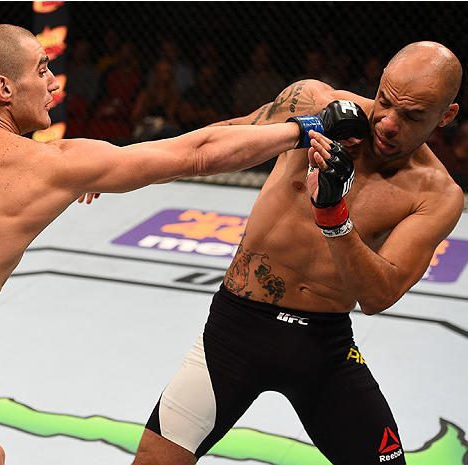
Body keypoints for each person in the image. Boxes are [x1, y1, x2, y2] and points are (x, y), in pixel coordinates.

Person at [0, 24, 333, 465]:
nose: (54, 82)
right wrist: (301, 130)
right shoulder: (49, 168)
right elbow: (196, 153)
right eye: (41, 70)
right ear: (4, 88)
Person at [133, 41, 463, 465]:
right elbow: (213, 144)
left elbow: (380, 294)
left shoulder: (436, 193)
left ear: (447, 115)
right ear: (380, 83)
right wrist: (120, 167)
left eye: (413, 116)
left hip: (323, 347)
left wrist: (333, 217)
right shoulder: (312, 102)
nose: (388, 124)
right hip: (235, 332)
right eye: (385, 102)